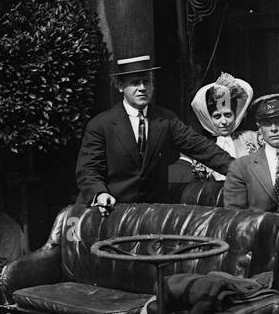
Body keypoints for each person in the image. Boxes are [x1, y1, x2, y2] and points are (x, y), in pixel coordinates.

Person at [76, 54, 232, 213]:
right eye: (135, 83)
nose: (142, 88)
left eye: (147, 81)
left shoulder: (166, 120)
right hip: (113, 213)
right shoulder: (101, 125)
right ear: (120, 85)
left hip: (152, 215)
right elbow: (88, 169)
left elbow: (202, 148)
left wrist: (241, 171)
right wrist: (100, 193)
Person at [187, 72, 260, 180]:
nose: (224, 121)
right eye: (217, 117)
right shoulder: (202, 146)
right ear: (209, 119)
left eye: (228, 115)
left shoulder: (252, 138)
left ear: (235, 115)